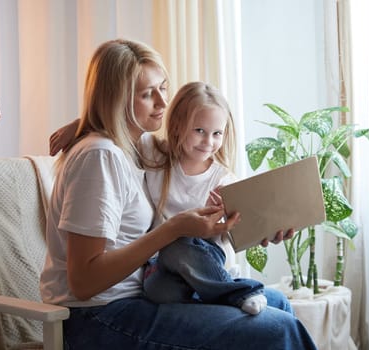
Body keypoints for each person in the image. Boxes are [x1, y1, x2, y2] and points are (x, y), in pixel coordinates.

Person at [41, 38, 317, 349]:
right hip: (98, 318)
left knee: (278, 303)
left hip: (136, 298)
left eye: (163, 88)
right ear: (117, 100)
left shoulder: (131, 149)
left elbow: (110, 120)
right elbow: (83, 282)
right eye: (148, 94)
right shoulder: (100, 157)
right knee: (279, 330)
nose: (162, 103)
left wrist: (262, 226)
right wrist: (174, 230)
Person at [139, 81, 267, 315]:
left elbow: (228, 236)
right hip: (162, 261)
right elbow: (118, 129)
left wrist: (218, 223)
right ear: (177, 125)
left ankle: (241, 291)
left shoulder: (223, 180)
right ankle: (214, 290)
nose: (209, 142)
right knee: (158, 291)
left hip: (202, 252)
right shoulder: (154, 154)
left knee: (177, 242)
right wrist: (78, 127)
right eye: (199, 131)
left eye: (217, 133)